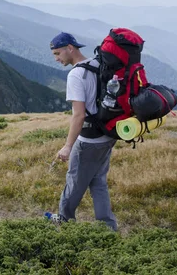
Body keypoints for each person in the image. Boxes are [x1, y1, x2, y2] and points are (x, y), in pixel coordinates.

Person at [49, 32, 118, 231]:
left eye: (57, 53)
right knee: (98, 182)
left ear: (70, 48)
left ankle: (64, 221)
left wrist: (68, 146)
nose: (56, 59)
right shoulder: (99, 64)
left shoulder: (76, 74)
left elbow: (78, 115)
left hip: (89, 139)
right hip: (107, 134)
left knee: (74, 182)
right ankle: (108, 228)